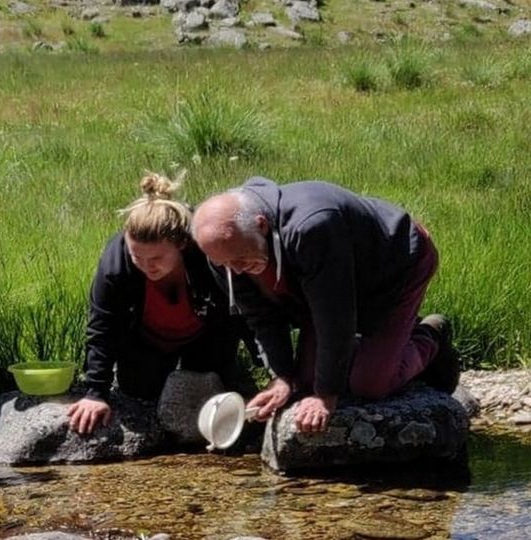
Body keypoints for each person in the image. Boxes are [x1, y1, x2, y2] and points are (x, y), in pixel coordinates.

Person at [191, 176, 460, 434]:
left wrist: (326, 396)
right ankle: (380, 345)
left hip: (392, 269)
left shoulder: (312, 226)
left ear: (262, 225)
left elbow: (335, 317)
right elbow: (261, 317)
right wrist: (284, 376)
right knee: (304, 381)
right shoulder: (223, 252)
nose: (235, 271)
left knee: (369, 383)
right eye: (224, 264)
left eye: (241, 259)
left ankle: (430, 335)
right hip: (324, 288)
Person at [68, 173, 258, 435]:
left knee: (206, 400)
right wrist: (95, 392)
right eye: (137, 257)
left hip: (205, 336)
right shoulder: (116, 267)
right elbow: (103, 328)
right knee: (141, 397)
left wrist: (275, 373)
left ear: (181, 244)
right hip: (144, 340)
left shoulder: (207, 254)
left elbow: (244, 312)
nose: (147, 266)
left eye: (156, 258)